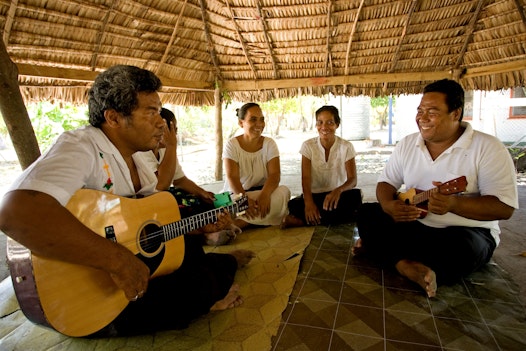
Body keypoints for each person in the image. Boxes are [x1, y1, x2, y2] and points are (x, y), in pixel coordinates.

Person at [0, 65, 254, 336]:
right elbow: (15, 213)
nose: (161, 122)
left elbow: (141, 223)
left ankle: (220, 270)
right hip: (91, 295)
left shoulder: (138, 156)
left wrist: (197, 228)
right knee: (197, 288)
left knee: (188, 249)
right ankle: (221, 274)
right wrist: (117, 261)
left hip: (127, 266)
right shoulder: (81, 146)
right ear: (114, 118)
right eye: (151, 112)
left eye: (159, 111)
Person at [355, 79, 518, 297]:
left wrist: (454, 204)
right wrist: (389, 205)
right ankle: (406, 265)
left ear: (455, 113)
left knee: (464, 250)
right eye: (420, 110)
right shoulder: (408, 143)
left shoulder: (488, 148)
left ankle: (387, 253)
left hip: (464, 232)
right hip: (416, 225)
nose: (422, 118)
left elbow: (504, 208)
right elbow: (386, 183)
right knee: (367, 213)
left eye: (432, 111)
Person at [144, 107, 240, 246]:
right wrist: (172, 146)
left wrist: (202, 193)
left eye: (175, 130)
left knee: (202, 201)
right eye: (172, 129)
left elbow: (180, 180)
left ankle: (215, 229)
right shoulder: (143, 152)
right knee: (181, 208)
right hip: (152, 203)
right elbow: (161, 186)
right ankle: (205, 237)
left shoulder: (165, 151)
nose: (175, 134)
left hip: (165, 196)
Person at [281, 105, 362, 228]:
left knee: (355, 199)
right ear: (316, 125)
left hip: (337, 197)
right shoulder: (308, 146)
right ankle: (325, 218)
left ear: (337, 125)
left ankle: (302, 221)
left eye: (330, 122)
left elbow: (353, 180)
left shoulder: (346, 146)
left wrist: (338, 191)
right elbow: (305, 179)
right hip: (315, 196)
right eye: (320, 122)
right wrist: (309, 204)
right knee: (294, 205)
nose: (324, 127)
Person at [223, 102, 291, 228]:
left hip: (264, 191)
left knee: (284, 192)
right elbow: (232, 177)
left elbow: (275, 175)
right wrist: (243, 199)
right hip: (238, 193)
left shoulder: (269, 144)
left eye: (262, 120)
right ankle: (263, 220)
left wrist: (264, 195)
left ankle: (241, 223)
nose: (259, 124)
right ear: (241, 123)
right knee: (228, 204)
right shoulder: (231, 145)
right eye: (253, 119)